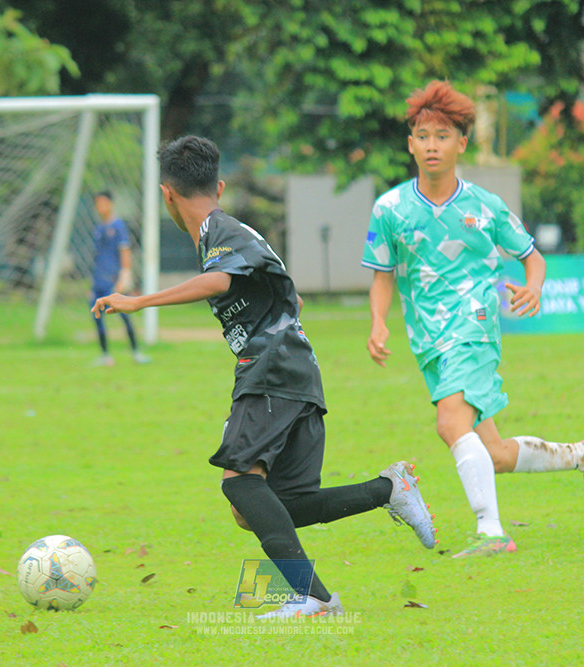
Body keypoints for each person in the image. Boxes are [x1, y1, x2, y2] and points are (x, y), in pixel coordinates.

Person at [93, 135, 436, 618]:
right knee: (264, 506)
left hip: (272, 368)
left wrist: (137, 300)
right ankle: (388, 489)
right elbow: (286, 296)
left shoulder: (220, 228)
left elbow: (220, 281)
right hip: (292, 370)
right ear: (220, 183)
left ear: (167, 194)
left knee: (239, 484)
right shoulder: (232, 231)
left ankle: (314, 599)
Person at [361, 80, 584, 558]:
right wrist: (379, 322)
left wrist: (534, 287)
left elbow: (532, 257)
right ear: (410, 143)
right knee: (493, 453)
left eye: (442, 135)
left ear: (461, 143)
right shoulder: (390, 209)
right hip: (428, 339)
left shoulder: (485, 205)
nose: (431, 145)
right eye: (422, 135)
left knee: (448, 421)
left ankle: (492, 532)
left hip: (474, 325)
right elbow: (382, 275)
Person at [90, 190, 150, 366]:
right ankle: (105, 355)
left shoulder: (118, 226)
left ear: (110, 204)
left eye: (103, 203)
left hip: (113, 279)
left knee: (124, 314)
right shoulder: (99, 228)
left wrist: (125, 275)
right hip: (99, 280)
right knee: (97, 316)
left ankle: (136, 352)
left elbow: (125, 251)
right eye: (97, 204)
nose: (100, 207)